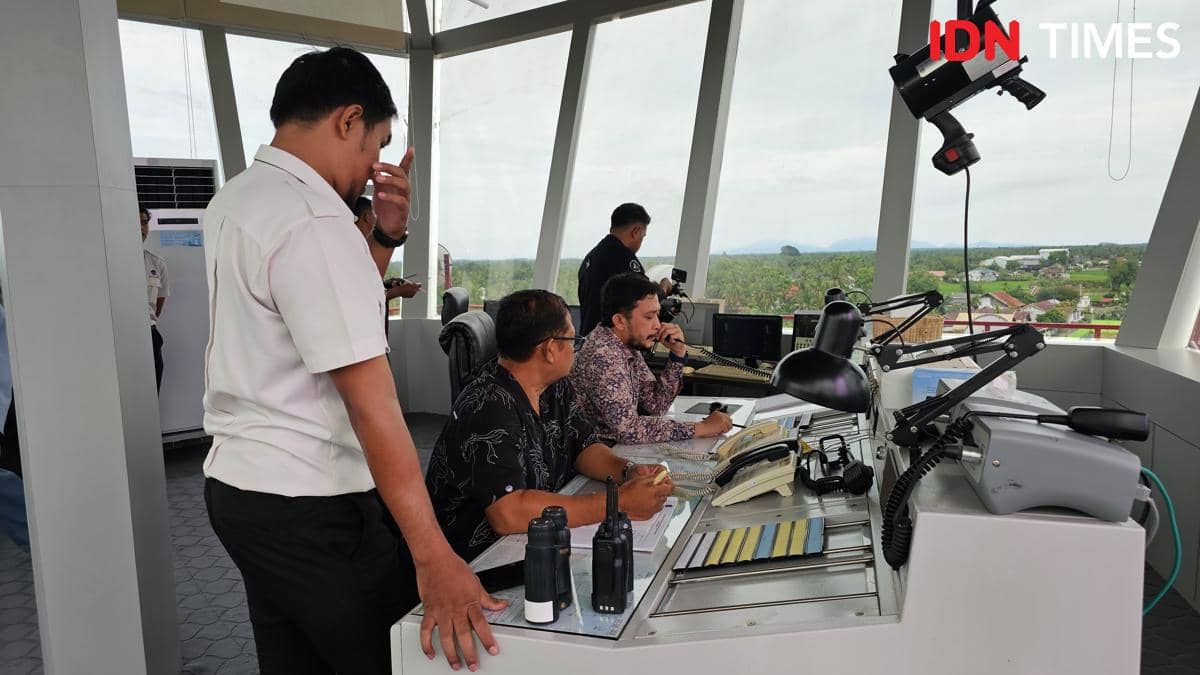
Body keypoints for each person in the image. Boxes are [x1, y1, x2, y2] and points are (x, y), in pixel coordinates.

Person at [200, 46, 503, 675]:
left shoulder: (238, 199)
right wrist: (433, 556)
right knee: (392, 658)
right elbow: (373, 406)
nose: (374, 169)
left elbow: (330, 314)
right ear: (349, 119)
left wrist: (385, 234)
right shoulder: (313, 217)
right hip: (315, 501)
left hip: (243, 493)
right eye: (378, 143)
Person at [425, 289, 674, 562]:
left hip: (534, 542)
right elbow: (508, 513)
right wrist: (618, 503)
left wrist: (627, 471)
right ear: (551, 349)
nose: (575, 348)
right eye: (572, 340)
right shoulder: (488, 406)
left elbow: (584, 446)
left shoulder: (555, 386)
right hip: (476, 561)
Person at [571, 273, 732, 445]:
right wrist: (701, 428)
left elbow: (657, 404)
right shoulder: (602, 357)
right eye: (649, 317)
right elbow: (628, 430)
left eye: (657, 315)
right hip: (594, 451)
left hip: (611, 447)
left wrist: (677, 354)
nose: (657, 325)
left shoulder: (626, 346)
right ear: (619, 321)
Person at [577, 203, 671, 335]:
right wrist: (664, 288)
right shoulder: (623, 258)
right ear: (636, 232)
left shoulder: (591, 257)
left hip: (589, 337)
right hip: (611, 340)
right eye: (642, 236)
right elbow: (646, 296)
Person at [352, 196, 421, 307]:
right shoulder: (355, 250)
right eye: (375, 215)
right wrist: (398, 292)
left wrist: (385, 284)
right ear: (366, 217)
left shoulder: (351, 245)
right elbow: (363, 295)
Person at [140, 206, 169, 391]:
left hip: (149, 333)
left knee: (152, 388)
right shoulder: (109, 261)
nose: (141, 228)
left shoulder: (156, 263)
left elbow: (159, 301)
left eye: (144, 223)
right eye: (135, 223)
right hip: (121, 335)